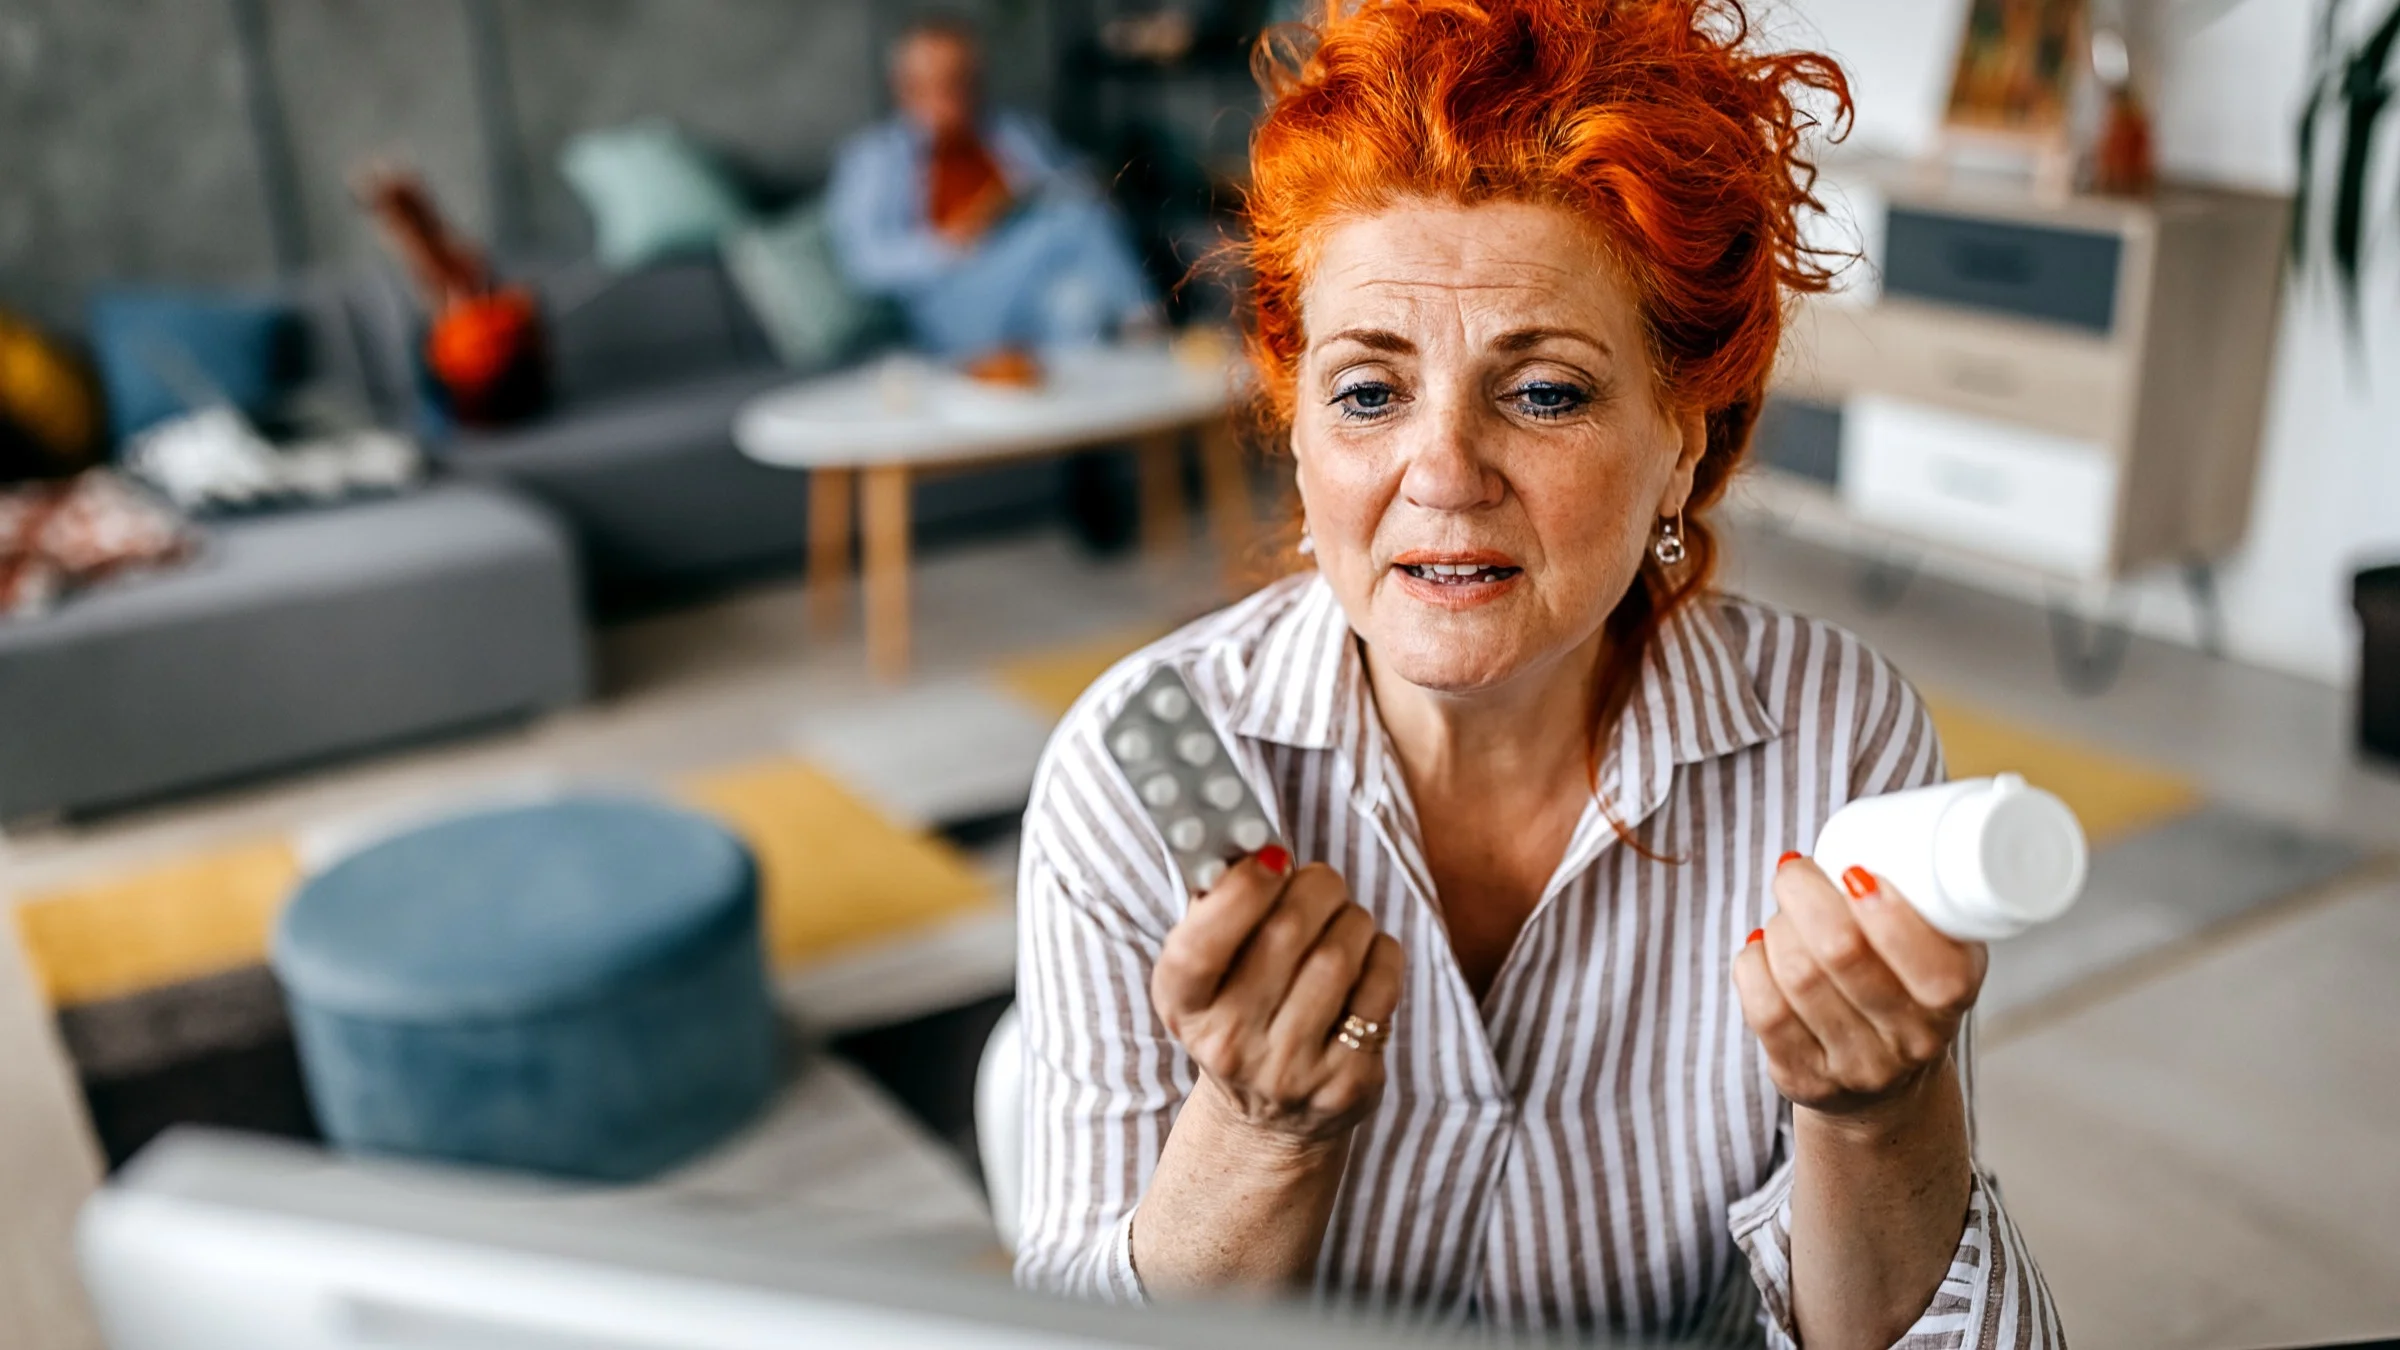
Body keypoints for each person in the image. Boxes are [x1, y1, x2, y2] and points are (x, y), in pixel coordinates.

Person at [1009, 0, 2064, 1345]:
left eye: (1547, 391)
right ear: (1294, 416)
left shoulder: (1836, 745)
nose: (1441, 473)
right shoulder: (1128, 774)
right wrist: (1258, 1132)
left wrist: (1878, 1112)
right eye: (1369, 392)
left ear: (1687, 438)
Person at [825, 19, 1161, 359]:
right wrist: (948, 244)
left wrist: (1037, 192)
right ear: (904, 87)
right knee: (1074, 216)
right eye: (942, 82)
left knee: (1075, 303)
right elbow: (861, 262)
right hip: (951, 301)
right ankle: (1148, 321)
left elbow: (1081, 177)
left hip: (1031, 280)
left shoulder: (1013, 132)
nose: (957, 94)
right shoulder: (873, 157)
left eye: (966, 79)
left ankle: (1084, 399)